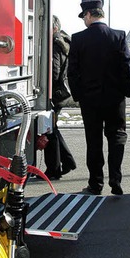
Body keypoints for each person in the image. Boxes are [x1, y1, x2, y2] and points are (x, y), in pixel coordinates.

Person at [67, 0, 130, 196]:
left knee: (93, 141)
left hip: (90, 101)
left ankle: (95, 183)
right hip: (115, 100)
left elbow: (72, 72)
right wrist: (124, 92)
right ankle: (116, 179)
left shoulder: (78, 39)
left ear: (88, 14)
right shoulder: (119, 35)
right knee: (117, 137)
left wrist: (79, 96)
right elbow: (128, 70)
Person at [44, 15, 76, 180]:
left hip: (55, 93)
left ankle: (54, 169)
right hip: (62, 92)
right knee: (52, 129)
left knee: (49, 130)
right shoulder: (64, 41)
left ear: (54, 28)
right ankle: (67, 161)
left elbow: (54, 72)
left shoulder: (55, 45)